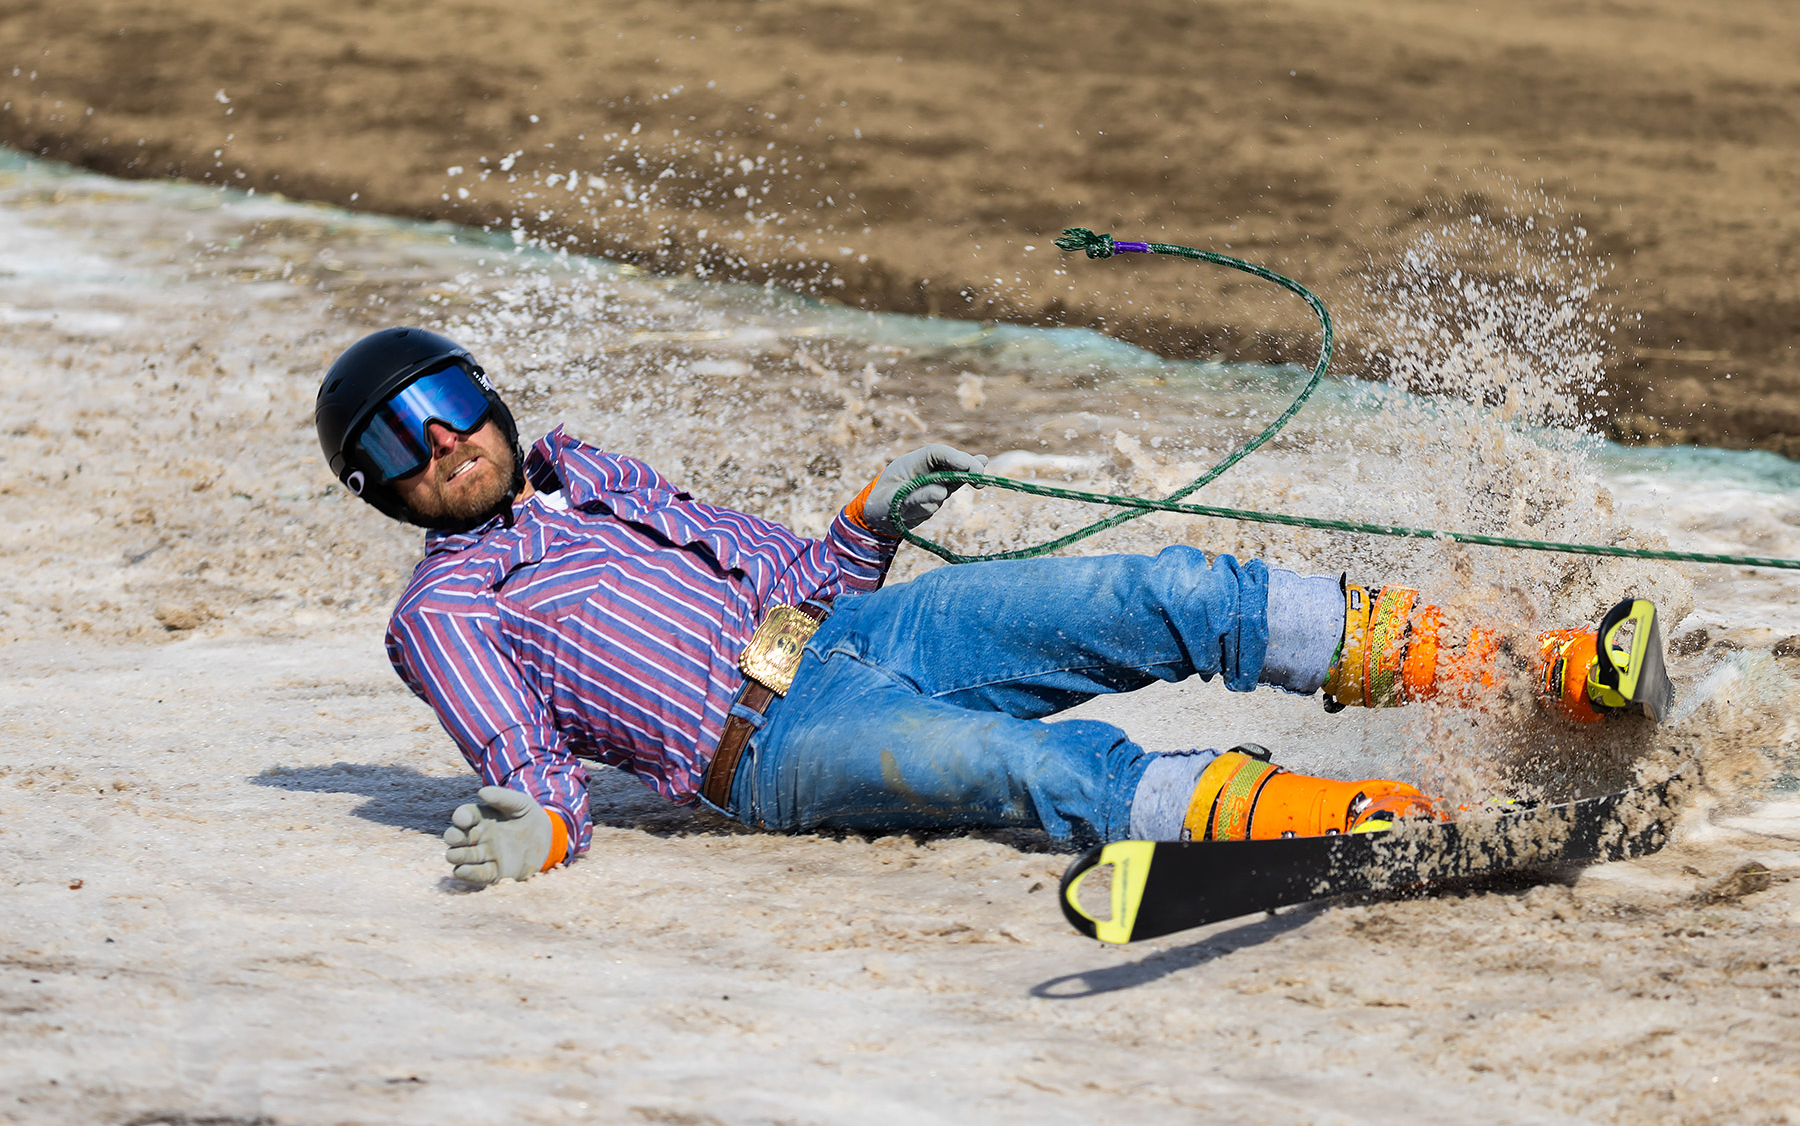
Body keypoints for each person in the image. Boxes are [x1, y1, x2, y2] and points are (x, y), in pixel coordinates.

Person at [315, 328, 1674, 885]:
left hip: (862, 635)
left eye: (443, 407)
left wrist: (862, 524)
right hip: (778, 751)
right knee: (1038, 767)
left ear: (486, 398)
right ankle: (1381, 824)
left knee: (1166, 590)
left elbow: (793, 589)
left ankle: (1544, 671)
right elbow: (533, 773)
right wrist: (535, 832)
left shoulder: (589, 471)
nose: (438, 446)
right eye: (396, 446)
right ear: (381, 492)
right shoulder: (443, 615)